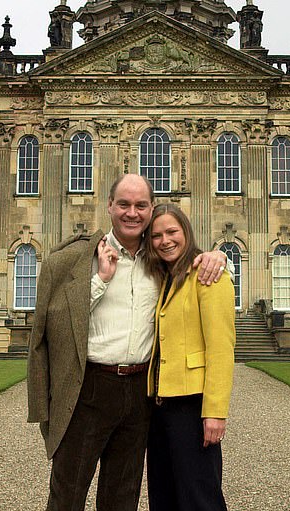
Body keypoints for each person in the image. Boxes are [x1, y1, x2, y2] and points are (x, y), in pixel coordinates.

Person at [27, 174, 228, 511]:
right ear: (109, 206)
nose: (132, 213)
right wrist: (100, 281)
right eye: (124, 204)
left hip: (139, 394)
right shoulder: (76, 259)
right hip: (88, 389)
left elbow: (197, 274)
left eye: (140, 205)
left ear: (150, 210)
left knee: (122, 498)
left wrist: (221, 259)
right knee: (67, 495)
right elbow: (52, 327)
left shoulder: (161, 263)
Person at [145, 203, 236, 511]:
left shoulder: (209, 275)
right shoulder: (165, 277)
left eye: (172, 231)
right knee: (164, 495)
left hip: (192, 406)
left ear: (186, 232)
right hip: (160, 405)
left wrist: (216, 412)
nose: (165, 240)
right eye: (156, 235)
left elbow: (221, 348)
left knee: (199, 498)